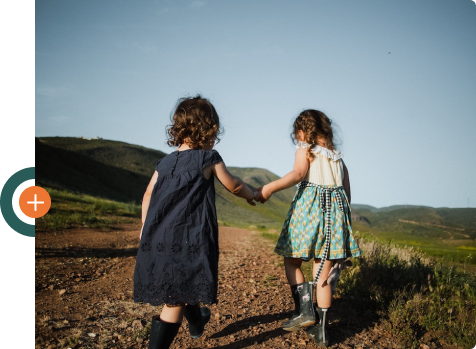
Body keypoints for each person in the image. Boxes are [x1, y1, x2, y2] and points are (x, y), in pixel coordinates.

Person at [133, 95, 256, 349]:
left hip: (158, 237)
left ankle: (197, 321)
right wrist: (253, 194)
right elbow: (233, 185)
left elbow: (147, 195)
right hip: (189, 238)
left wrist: (145, 229)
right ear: (209, 128)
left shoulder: (164, 163)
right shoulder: (208, 158)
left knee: (182, 284)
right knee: (174, 299)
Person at [255, 109, 361, 347]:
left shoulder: (306, 150)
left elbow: (298, 174)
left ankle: (304, 310)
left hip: (309, 214)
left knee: (292, 260)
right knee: (322, 274)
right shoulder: (338, 159)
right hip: (335, 219)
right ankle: (322, 331)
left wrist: (268, 188)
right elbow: (347, 195)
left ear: (303, 132)